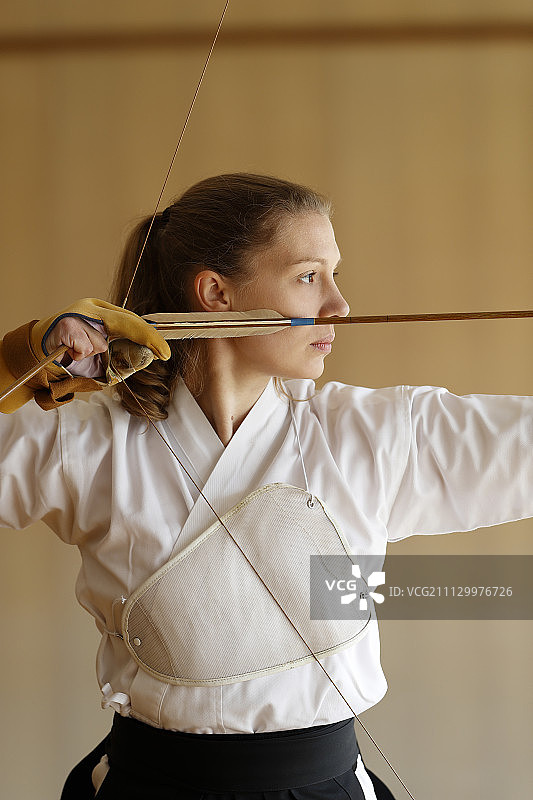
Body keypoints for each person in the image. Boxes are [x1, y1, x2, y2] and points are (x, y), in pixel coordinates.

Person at [1, 173, 532, 800]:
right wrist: (19, 361)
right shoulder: (87, 440)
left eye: (334, 275)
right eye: (309, 276)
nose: (338, 305)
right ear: (215, 293)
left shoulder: (373, 434)